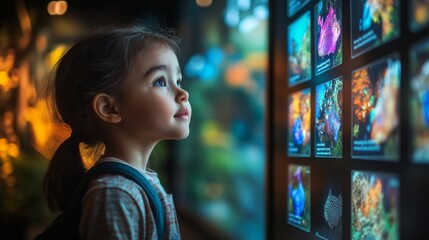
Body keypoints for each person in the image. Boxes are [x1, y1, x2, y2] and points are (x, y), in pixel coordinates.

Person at [41, 24, 191, 239]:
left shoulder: (134, 183)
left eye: (178, 81)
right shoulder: (115, 194)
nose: (183, 93)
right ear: (109, 108)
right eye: (160, 81)